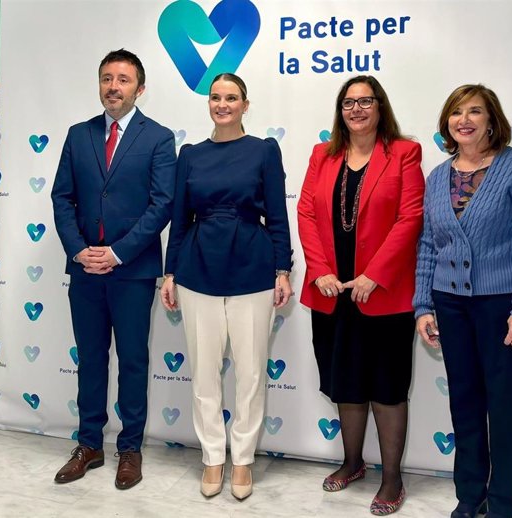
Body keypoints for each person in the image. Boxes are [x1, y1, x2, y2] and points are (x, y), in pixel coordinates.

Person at [413, 84, 512, 518]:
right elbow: (428, 247)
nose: (464, 119)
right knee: (466, 405)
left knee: (505, 410)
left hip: (503, 308)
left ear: (492, 120)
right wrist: (423, 305)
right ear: (447, 123)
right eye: (456, 112)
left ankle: (505, 503)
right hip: (450, 305)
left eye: (475, 111)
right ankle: (469, 496)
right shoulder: (438, 176)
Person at [159, 73, 292, 500]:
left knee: (251, 374)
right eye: (215, 97)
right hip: (198, 269)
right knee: (204, 373)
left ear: (245, 104)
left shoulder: (264, 151)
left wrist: (282, 269)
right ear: (208, 103)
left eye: (231, 97)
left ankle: (243, 460)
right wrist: (170, 272)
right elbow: (179, 218)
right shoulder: (190, 155)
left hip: (253, 269)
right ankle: (213, 458)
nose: (222, 104)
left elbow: (277, 215)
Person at [297, 75, 424, 516]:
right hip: (333, 293)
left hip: (383, 295)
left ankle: (392, 479)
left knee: (386, 389)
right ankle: (352, 463)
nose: (356, 109)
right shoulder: (322, 155)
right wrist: (320, 270)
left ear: (380, 106)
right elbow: (307, 212)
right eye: (348, 103)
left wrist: (375, 274)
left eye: (365, 101)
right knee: (345, 384)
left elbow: (410, 218)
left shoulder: (404, 152)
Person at [51, 49, 176, 490]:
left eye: (123, 79)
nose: (113, 86)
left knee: (134, 362)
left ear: (139, 88)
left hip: (132, 270)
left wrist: (118, 252)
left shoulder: (158, 138)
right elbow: (62, 198)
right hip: (84, 269)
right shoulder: (77, 135)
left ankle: (130, 449)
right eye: (107, 78)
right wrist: (79, 250)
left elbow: (162, 204)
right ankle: (89, 445)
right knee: (89, 360)